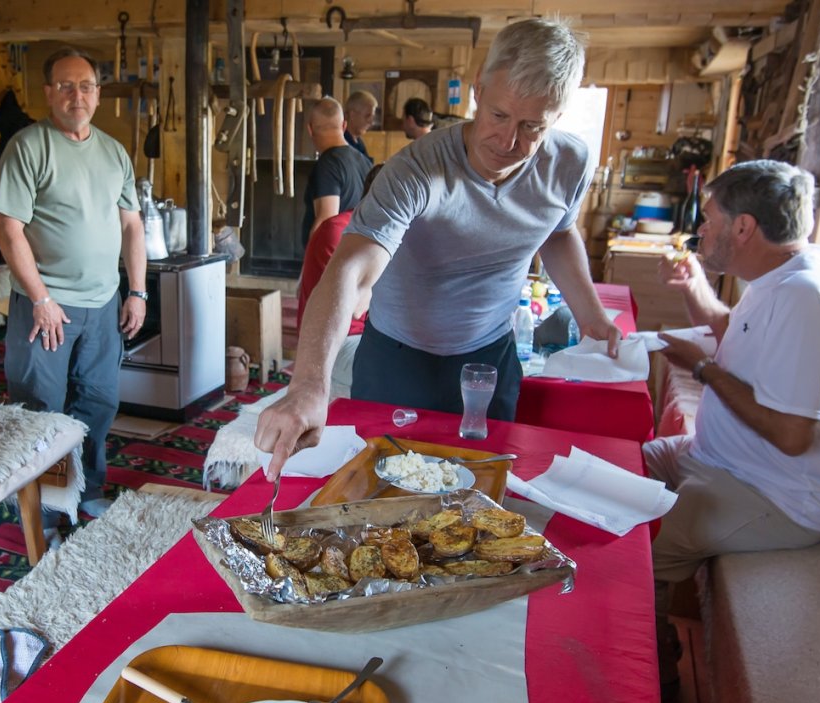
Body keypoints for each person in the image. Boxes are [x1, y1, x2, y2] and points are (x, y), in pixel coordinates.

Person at [255, 18, 621, 478]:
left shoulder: (570, 163)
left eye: (532, 127)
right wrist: (309, 384)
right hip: (398, 355)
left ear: (556, 119)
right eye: (499, 116)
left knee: (481, 496)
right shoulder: (417, 170)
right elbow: (350, 269)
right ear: (477, 90)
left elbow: (559, 231)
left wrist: (591, 316)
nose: (508, 142)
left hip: (490, 356)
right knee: (383, 497)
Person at [646, 160, 820, 688]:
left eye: (709, 218)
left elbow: (793, 436)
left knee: (635, 550)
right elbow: (735, 329)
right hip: (718, 459)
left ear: (743, 227)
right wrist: (692, 286)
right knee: (621, 467)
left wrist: (702, 369)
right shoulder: (784, 276)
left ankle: (655, 678)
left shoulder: (806, 297)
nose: (701, 228)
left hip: (777, 495)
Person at [0, 46, 148, 521]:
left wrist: (137, 291)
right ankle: (43, 512)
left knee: (98, 402)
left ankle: (87, 490)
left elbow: (132, 227)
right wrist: (40, 298)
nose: (75, 95)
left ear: (98, 94)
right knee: (42, 409)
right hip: (47, 308)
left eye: (85, 85)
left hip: (103, 304)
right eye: (65, 85)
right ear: (48, 93)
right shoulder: (28, 146)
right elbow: (7, 229)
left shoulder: (113, 151)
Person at [298, 164, 383, 398]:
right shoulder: (341, 231)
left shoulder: (382, 233)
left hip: (370, 336)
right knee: (399, 374)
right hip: (339, 342)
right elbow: (356, 309)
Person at [301, 97, 372, 248]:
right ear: (344, 125)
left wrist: (310, 263)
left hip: (331, 258)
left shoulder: (328, 164)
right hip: (355, 253)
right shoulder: (365, 162)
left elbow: (326, 221)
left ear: (310, 129)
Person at [342, 90, 377, 161]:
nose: (371, 122)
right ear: (352, 115)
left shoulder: (359, 142)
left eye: (372, 117)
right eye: (367, 116)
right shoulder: (342, 142)